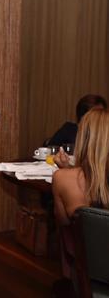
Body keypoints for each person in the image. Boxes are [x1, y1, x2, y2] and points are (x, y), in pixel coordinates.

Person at [52, 108, 109, 279]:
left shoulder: (62, 178)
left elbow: (63, 222)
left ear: (82, 139)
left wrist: (66, 171)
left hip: (87, 264)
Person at [51, 94, 107, 168]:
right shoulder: (69, 129)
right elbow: (50, 149)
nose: (99, 118)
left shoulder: (106, 134)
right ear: (83, 116)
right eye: (95, 115)